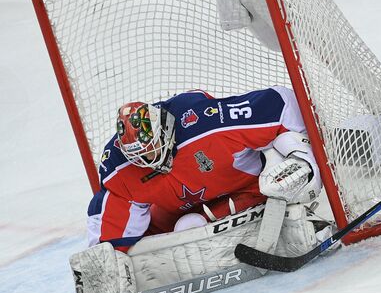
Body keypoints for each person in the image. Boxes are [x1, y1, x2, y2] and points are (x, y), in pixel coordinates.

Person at [87, 85, 323, 249]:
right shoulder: (119, 167)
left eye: (151, 148)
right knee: (186, 228)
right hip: (187, 210)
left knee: (284, 171)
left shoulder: (204, 122)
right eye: (140, 156)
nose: (149, 159)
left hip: (252, 187)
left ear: (164, 128)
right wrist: (106, 261)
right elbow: (109, 227)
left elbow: (280, 103)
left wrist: (303, 155)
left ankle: (312, 212)